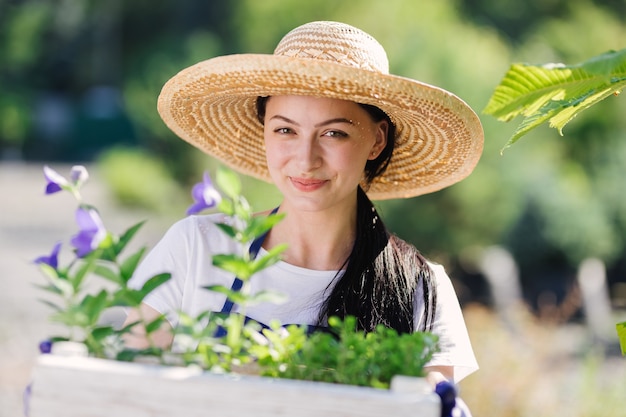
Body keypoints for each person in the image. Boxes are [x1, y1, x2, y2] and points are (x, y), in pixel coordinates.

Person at [124, 21, 483, 389]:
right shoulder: (195, 247)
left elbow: (432, 410)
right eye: (285, 130)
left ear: (377, 140)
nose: (306, 159)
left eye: (334, 133)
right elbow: (124, 394)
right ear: (264, 131)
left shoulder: (419, 287)